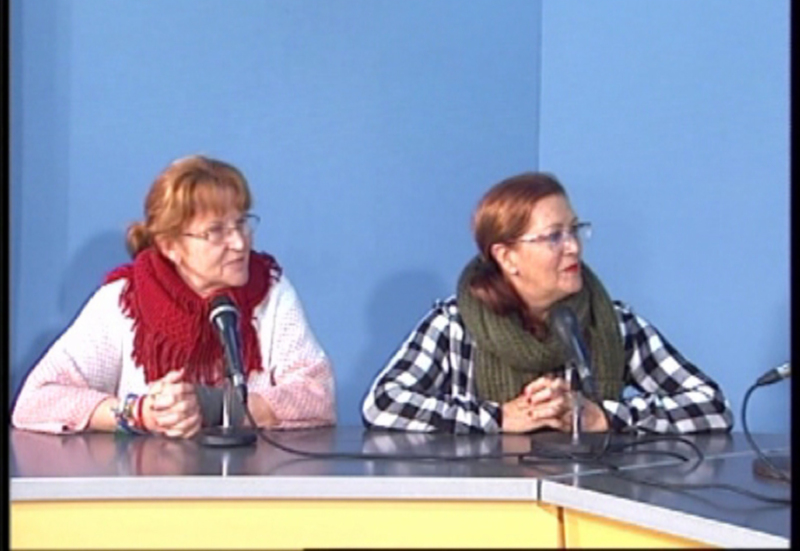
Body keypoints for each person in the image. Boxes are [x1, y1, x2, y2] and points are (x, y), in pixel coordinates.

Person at [362, 172, 733, 435]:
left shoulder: (613, 322)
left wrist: (603, 416)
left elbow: (712, 405)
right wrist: (498, 418)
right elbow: (383, 403)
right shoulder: (456, 325)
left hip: (588, 497)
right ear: (507, 257)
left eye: (575, 230)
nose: (573, 247)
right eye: (554, 237)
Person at [12, 155, 336, 438]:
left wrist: (216, 407)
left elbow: (318, 396)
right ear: (170, 246)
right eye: (216, 231)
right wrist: (142, 413)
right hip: (142, 481)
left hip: (251, 478)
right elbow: (37, 400)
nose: (239, 243)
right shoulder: (123, 300)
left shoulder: (271, 292)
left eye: (241, 223)